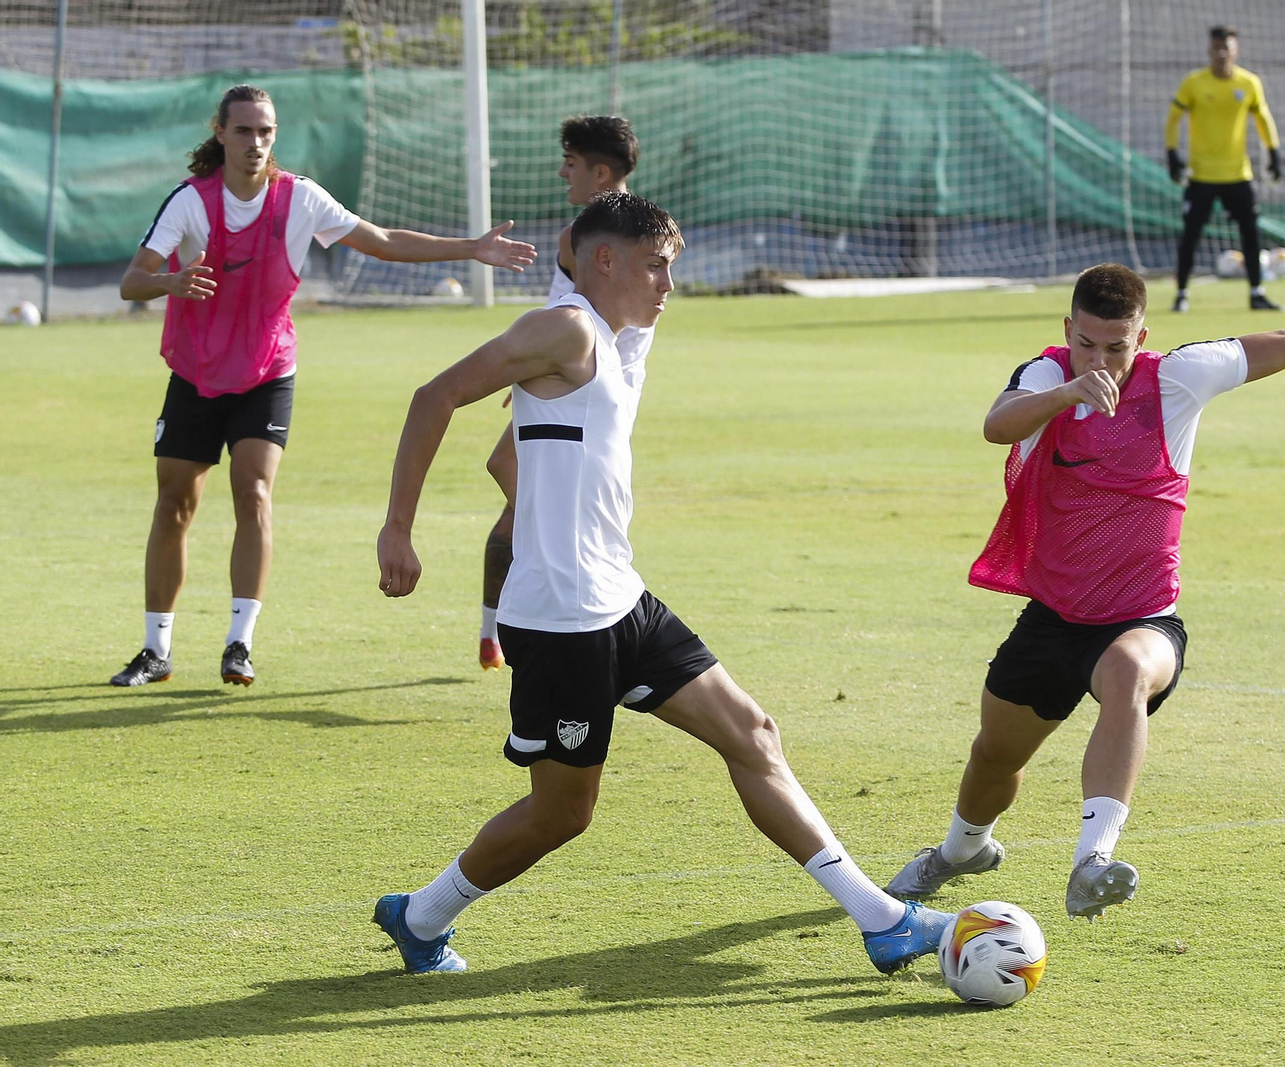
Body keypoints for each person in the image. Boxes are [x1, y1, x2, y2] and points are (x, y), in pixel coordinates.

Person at [372, 192, 953, 975]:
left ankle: (883, 922)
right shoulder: (567, 327)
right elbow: (433, 396)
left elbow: (507, 458)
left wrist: (551, 495)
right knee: (562, 814)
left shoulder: (615, 342)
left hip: (622, 599)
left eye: (671, 267)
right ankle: (421, 915)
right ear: (604, 260)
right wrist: (398, 527)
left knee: (752, 732)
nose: (668, 285)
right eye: (656, 266)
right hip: (562, 622)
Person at [886, 263, 1285, 919]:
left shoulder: (1178, 376)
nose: (1102, 360)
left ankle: (1093, 859)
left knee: (1124, 672)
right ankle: (962, 849)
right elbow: (997, 425)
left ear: (1142, 337)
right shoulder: (1046, 375)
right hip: (1053, 619)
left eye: (1117, 347)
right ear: (1068, 331)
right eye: (1088, 343)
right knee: (995, 757)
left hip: (1144, 618)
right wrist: (1066, 394)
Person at [109, 84, 535, 690]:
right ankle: (156, 650)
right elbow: (132, 281)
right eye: (243, 131)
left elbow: (382, 242)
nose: (255, 142)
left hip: (267, 371)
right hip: (196, 374)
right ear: (221, 134)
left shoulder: (300, 199)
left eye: (265, 131)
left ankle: (239, 644)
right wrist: (170, 283)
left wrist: (472, 248)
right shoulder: (191, 203)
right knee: (175, 502)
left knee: (253, 490)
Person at [478, 116, 643, 672]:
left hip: (592, 385)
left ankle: (539, 591)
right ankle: (507, 616)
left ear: (599, 172)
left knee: (514, 479)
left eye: (570, 162)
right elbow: (566, 309)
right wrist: (534, 363)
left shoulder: (608, 239)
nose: (561, 171)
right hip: (572, 372)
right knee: (509, 473)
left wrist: (545, 362)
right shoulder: (605, 232)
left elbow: (594, 320)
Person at [1165, 25, 1283, 313]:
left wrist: (1273, 152)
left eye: (1226, 48)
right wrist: (1172, 154)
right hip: (1202, 175)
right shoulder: (1194, 83)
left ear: (1235, 51)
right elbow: (1173, 118)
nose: (1221, 53)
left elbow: (1263, 118)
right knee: (1191, 235)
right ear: (1209, 50)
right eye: (1216, 47)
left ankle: (1257, 292)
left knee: (1251, 234)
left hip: (1237, 174)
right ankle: (1181, 293)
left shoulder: (1248, 83)